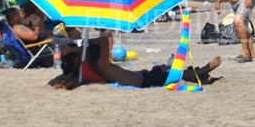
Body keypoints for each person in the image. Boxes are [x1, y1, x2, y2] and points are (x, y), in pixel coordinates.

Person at [77, 36, 222, 88]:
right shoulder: (102, 66)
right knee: (174, 73)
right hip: (144, 81)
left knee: (165, 68)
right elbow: (105, 40)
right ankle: (203, 71)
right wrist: (87, 42)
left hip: (143, 76)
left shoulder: (100, 66)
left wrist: (82, 46)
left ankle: (201, 76)